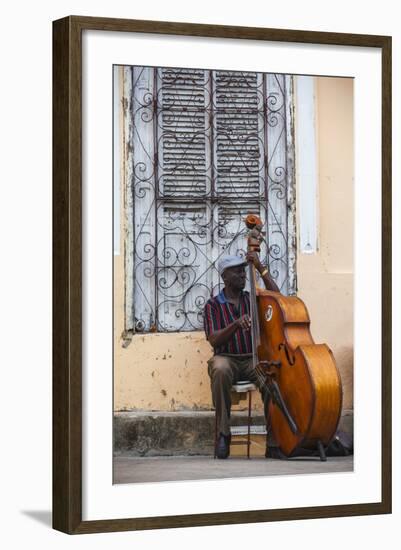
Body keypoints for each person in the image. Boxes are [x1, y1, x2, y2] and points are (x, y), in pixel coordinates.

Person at [203, 252, 280, 459]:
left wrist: (260, 267)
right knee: (219, 368)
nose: (242, 275)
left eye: (243, 270)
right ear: (225, 277)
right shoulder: (213, 305)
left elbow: (277, 297)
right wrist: (235, 325)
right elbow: (213, 339)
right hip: (226, 358)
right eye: (237, 271)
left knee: (271, 376)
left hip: (250, 360)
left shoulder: (251, 299)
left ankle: (275, 438)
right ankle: (223, 433)